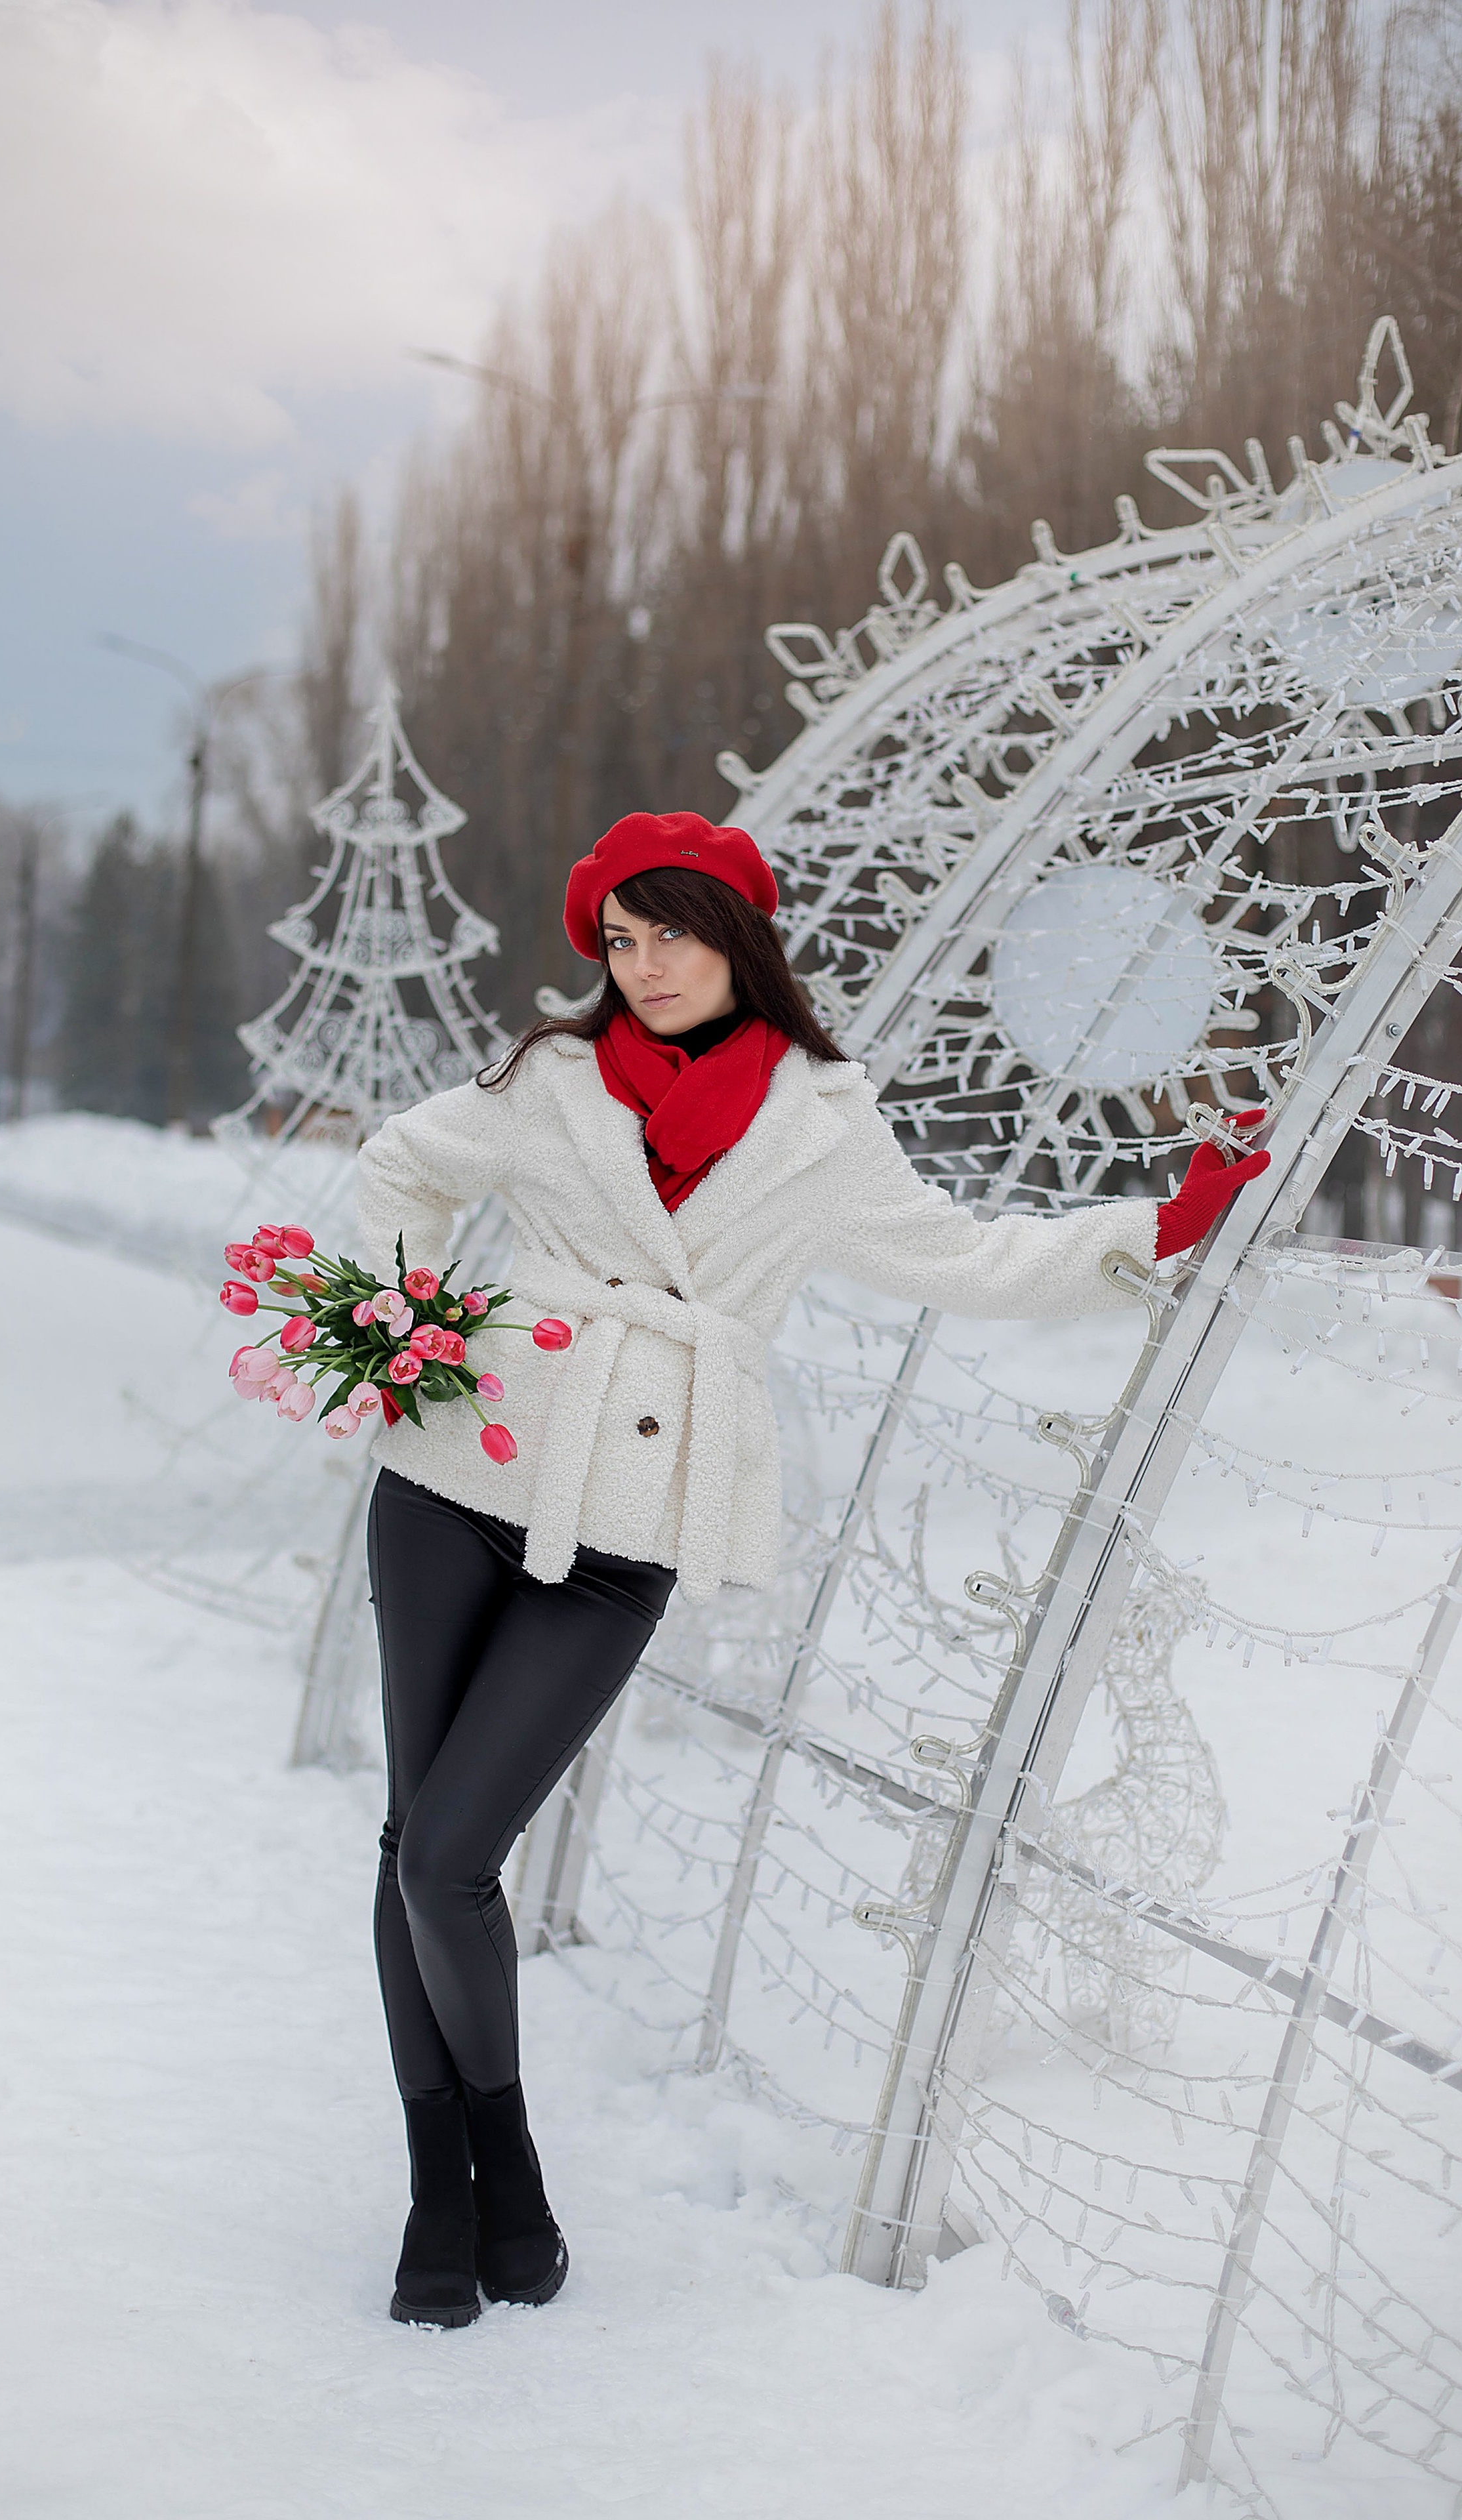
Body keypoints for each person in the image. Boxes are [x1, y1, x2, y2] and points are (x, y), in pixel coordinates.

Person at [354, 809, 1267, 2329]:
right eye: (620, 940)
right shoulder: (549, 1080)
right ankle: (444, 2189)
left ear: (738, 939)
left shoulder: (819, 1124)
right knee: (414, 1849)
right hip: (453, 1476)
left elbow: (961, 1257)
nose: (644, 965)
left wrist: (1160, 1226)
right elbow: (399, 1166)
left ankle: (497, 2159)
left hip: (621, 1530)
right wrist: (409, 1331)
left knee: (451, 1853)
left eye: (671, 932)